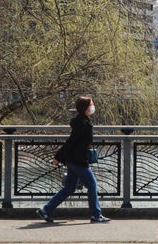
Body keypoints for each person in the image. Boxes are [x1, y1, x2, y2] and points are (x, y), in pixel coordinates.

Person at [36, 95, 111, 223]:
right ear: (86, 108)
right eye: (91, 104)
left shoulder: (82, 122)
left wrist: (60, 157)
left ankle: (46, 210)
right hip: (79, 161)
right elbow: (71, 142)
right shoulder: (83, 124)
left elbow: (73, 141)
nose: (93, 106)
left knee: (69, 188)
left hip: (73, 160)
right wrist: (58, 157)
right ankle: (96, 215)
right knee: (92, 185)